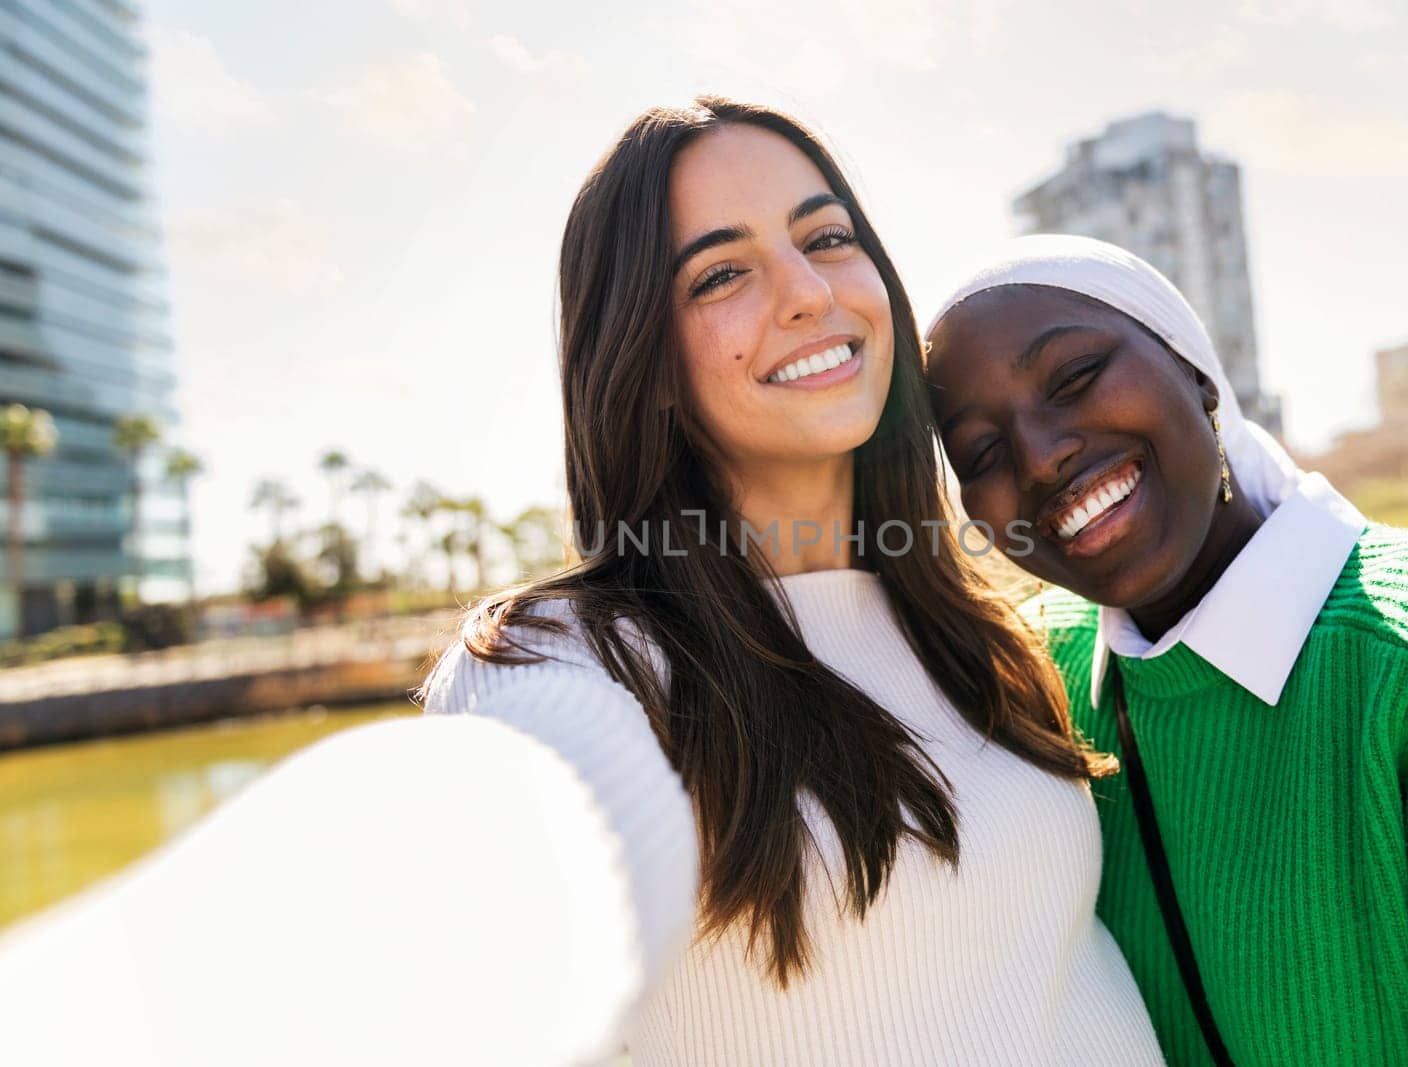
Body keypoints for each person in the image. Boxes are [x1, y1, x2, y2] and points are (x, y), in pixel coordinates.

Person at [419, 99, 1167, 1064]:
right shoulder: (560, 665)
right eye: (722, 272)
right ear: (640, 356)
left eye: (826, 236)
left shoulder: (978, 633)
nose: (809, 290)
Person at [923, 234, 1408, 1065]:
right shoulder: (1034, 690)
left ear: (1198, 371)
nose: (1040, 455)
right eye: (982, 453)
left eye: (1073, 377)